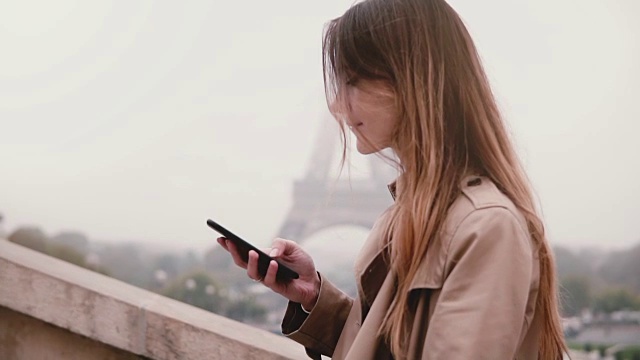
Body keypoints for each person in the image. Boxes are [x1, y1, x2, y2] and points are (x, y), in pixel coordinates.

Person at [217, 0, 568, 358]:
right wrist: (315, 297)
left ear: (410, 81)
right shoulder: (418, 211)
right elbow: (392, 346)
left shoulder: (486, 226)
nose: (337, 105)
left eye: (352, 81)